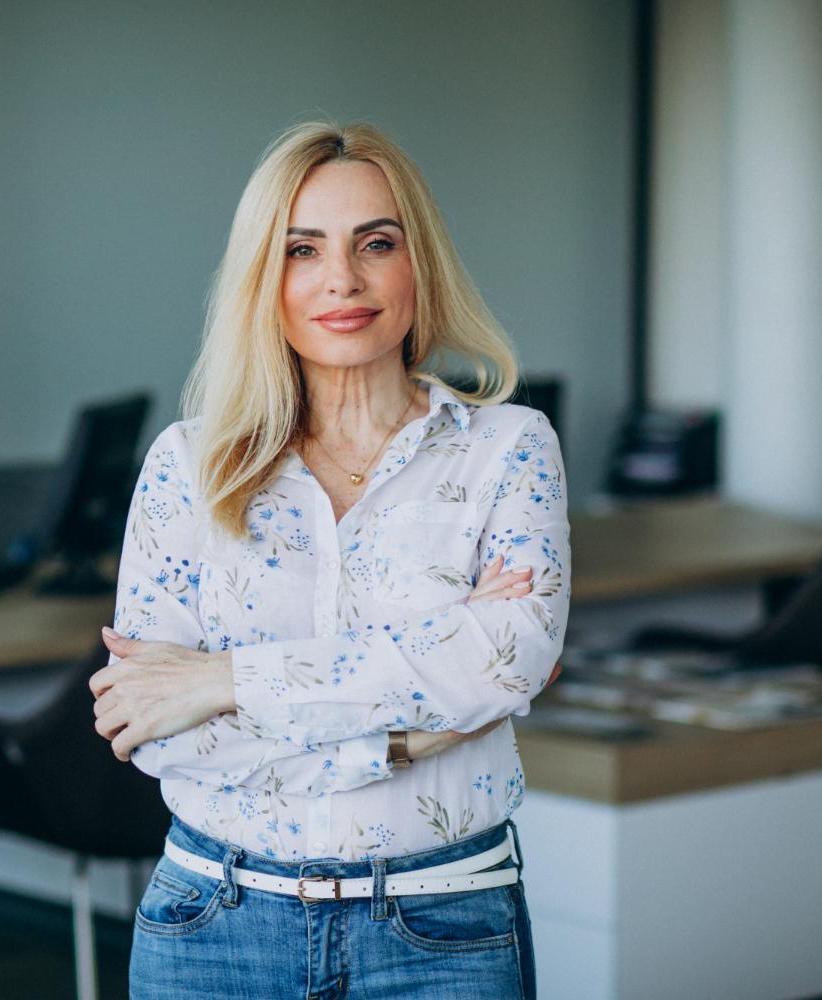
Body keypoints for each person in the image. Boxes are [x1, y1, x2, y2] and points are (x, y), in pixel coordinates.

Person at [90, 120, 568, 1000]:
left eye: (375, 243)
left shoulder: (509, 447)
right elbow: (155, 725)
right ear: (263, 280)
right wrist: (401, 738)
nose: (341, 279)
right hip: (212, 927)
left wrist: (225, 678)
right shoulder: (189, 465)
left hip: (442, 929)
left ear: (418, 263)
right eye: (302, 249)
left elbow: (512, 658)